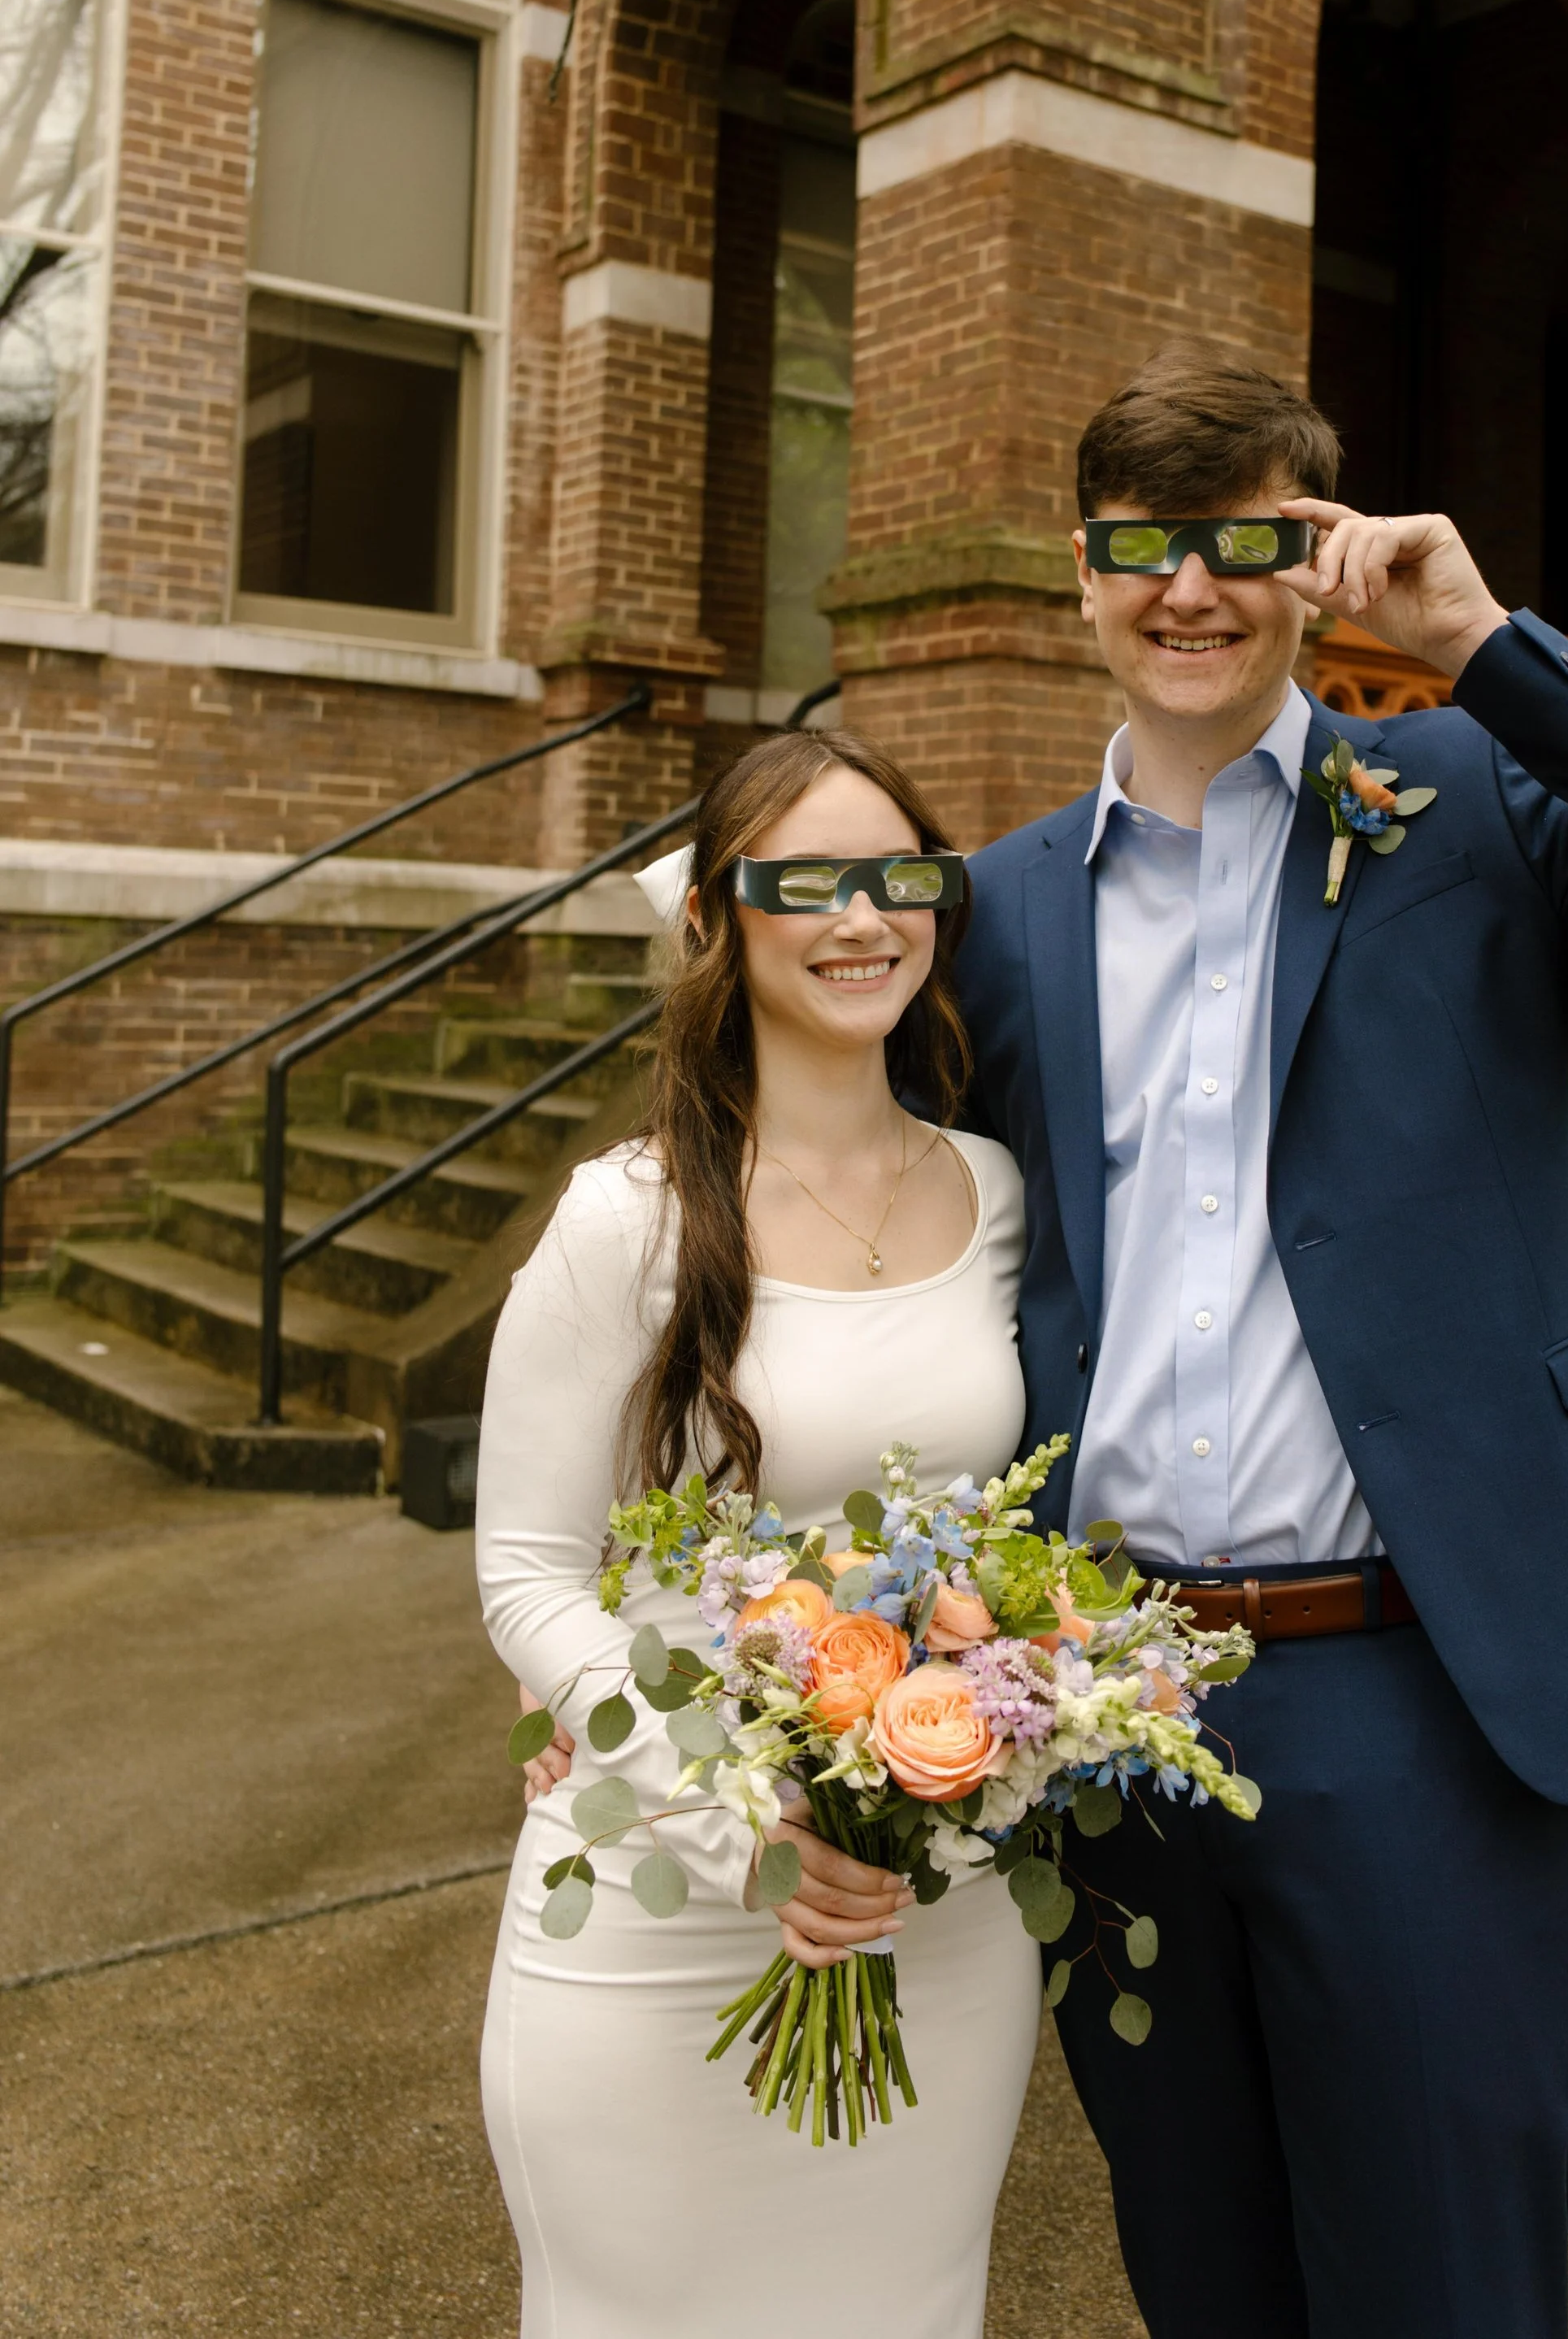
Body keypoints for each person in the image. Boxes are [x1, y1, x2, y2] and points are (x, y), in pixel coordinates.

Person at [951, 347, 1568, 2338]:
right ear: (1078, 581)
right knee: (1198, 2260)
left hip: (1418, 1683)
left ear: (1322, 564)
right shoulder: (1000, 910)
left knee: (1447, 2280)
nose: (1186, 591)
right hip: (1108, 1705)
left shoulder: (1466, 800)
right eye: (1140, 550)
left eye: (1244, 543)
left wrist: (1479, 646)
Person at [476, 728, 1037, 2339]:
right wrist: (737, 1819)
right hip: (659, 1899)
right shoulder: (627, 1217)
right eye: (804, 881)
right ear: (717, 921)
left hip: (937, 1907)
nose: (860, 919)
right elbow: (527, 1569)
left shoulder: (997, 1196)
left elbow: (1027, 1535)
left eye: (898, 878)